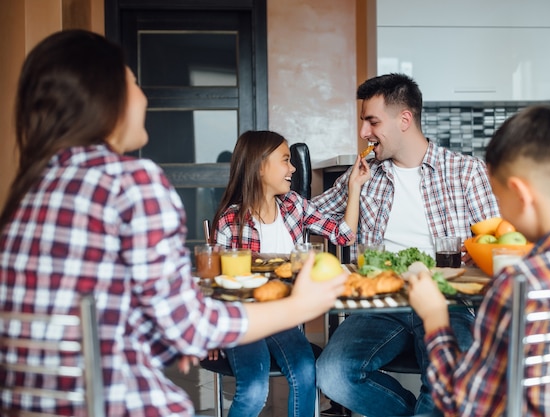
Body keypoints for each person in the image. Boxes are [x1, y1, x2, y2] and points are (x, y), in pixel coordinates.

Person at [0, 29, 347, 417]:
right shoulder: (132, 183)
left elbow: (94, 309)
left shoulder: (27, 192)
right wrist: (301, 305)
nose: (144, 97)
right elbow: (192, 326)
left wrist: (166, 337)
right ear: (103, 97)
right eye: (133, 83)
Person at [407, 104, 550, 416]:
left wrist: (435, 319)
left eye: (497, 197)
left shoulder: (520, 284)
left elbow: (464, 406)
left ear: (520, 194)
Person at [313, 73, 500, 417]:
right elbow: (304, 215)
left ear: (404, 119)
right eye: (363, 122)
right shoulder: (363, 175)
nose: (363, 133)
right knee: (332, 375)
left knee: (453, 379)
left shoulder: (466, 172)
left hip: (448, 300)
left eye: (372, 121)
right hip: (380, 303)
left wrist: (474, 252)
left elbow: (497, 244)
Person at [204, 130, 370, 417]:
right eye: (285, 160)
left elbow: (344, 236)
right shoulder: (231, 220)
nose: (292, 168)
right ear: (259, 167)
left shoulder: (294, 206)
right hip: (244, 319)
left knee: (306, 373)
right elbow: (215, 282)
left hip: (284, 317)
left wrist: (354, 187)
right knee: (254, 388)